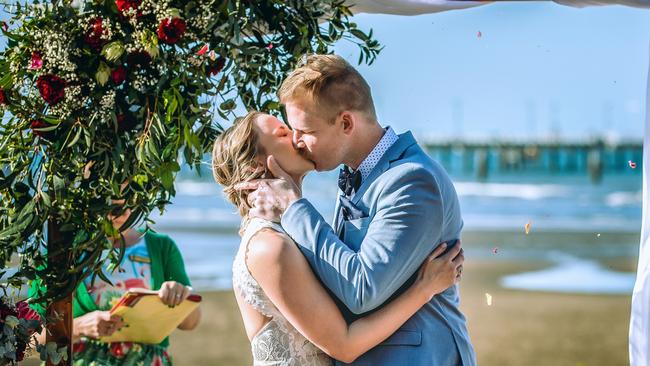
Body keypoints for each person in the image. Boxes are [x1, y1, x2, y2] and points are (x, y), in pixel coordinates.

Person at [236, 54, 476, 365]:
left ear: (346, 122)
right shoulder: (353, 173)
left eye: (305, 131)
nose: (298, 142)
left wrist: (295, 207)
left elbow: (361, 290)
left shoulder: (412, 180)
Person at [30, 199, 201, 365]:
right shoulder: (59, 253)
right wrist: (78, 328)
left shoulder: (161, 246)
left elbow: (191, 323)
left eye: (131, 200)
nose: (125, 212)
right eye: (113, 205)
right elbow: (30, 338)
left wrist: (179, 296)